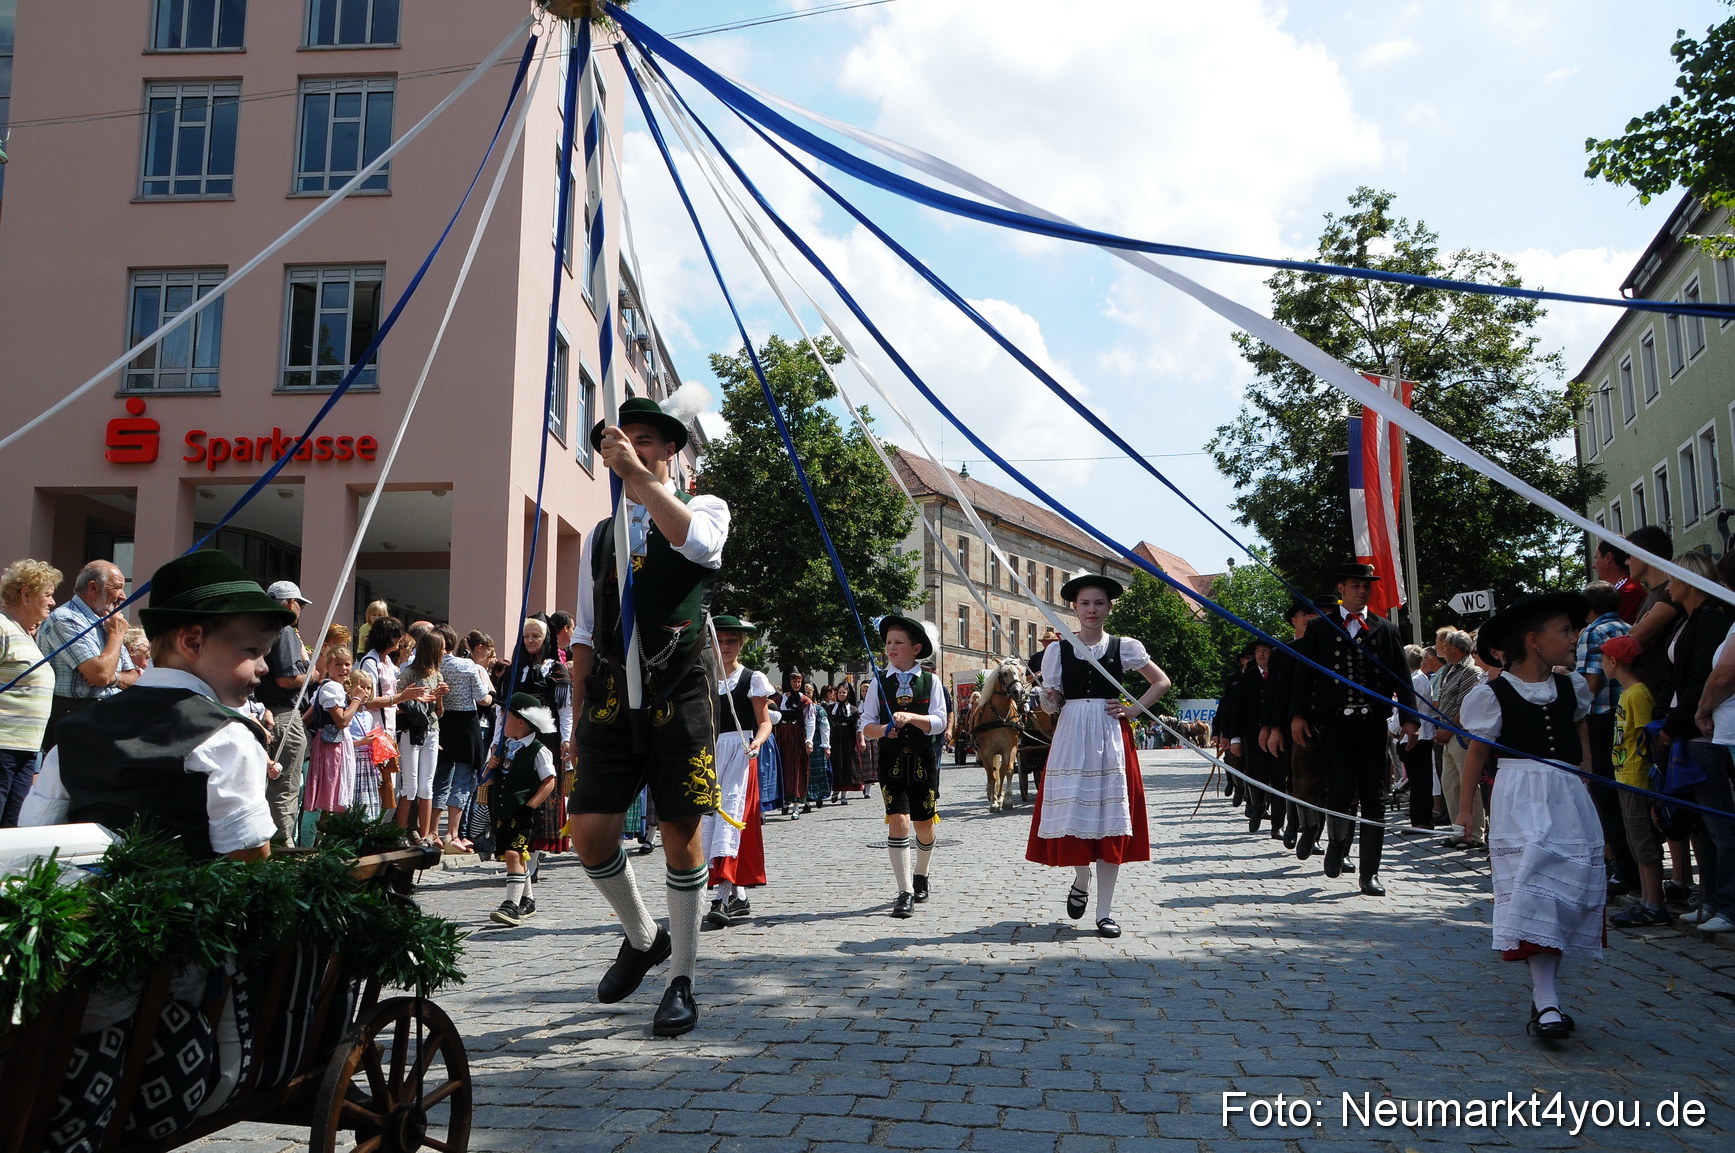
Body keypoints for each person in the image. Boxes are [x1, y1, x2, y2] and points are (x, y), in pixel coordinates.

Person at [569, 395, 730, 1038]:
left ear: (669, 450)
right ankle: (642, 937)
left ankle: (682, 978)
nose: (628, 449)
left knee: (678, 830)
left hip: (679, 690)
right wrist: (578, 717)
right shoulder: (600, 534)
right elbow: (585, 632)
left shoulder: (706, 507)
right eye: (622, 440)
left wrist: (637, 477)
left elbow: (696, 544)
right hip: (611, 698)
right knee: (589, 832)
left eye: (642, 440)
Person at [19, 550, 290, 861]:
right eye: (252, 650)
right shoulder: (229, 738)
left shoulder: (75, 732)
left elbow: (34, 839)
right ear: (192, 642)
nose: (263, 667)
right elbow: (248, 856)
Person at [1456, 592, 1601, 1039]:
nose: (1574, 638)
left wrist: (1585, 769)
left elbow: (1580, 731)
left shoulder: (1572, 687)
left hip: (1567, 795)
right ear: (1535, 641)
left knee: (1564, 890)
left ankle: (1547, 996)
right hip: (1520, 794)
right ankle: (1547, 1000)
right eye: (1565, 631)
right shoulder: (1492, 694)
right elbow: (1477, 752)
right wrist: (1465, 811)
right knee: (1535, 888)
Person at [1025, 576, 1171, 937]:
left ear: (1109, 607)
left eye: (1099, 603)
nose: (1092, 610)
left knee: (1110, 821)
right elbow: (1053, 702)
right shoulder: (1058, 651)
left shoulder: (1124, 646)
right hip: (1072, 734)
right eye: (1085, 603)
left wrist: (1133, 710)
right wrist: (1049, 698)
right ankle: (1081, 877)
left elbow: (1161, 681)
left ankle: (1104, 913)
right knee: (1074, 814)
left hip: (1109, 735)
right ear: (1074, 608)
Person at [1287, 562, 1417, 896]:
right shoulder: (1321, 628)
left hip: (1372, 725)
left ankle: (1369, 872)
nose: (1362, 591)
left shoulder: (1386, 629)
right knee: (1340, 790)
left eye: (1366, 586)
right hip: (1335, 724)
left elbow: (1402, 677)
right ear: (1341, 589)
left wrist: (1410, 718)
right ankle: (1337, 845)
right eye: (1356, 586)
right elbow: (1304, 677)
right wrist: (1298, 715)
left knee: (1375, 797)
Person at [1657, 551, 1735, 933]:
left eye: (1672, 578)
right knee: (1702, 824)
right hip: (1691, 729)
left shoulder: (1711, 621)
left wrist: (1679, 721)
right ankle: (1711, 900)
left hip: (1705, 731)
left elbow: (1705, 678)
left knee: (1720, 825)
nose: (1666, 587)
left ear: (1688, 580)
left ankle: (1728, 906)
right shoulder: (1688, 621)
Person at [860, 614, 949, 918]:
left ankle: (921, 874)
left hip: (923, 760)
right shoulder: (878, 682)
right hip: (892, 761)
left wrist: (911, 717)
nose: (891, 648)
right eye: (888, 643)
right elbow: (866, 725)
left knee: (924, 825)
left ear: (916, 648)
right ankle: (905, 891)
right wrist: (884, 730)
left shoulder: (931, 681)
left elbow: (940, 721)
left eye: (898, 642)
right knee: (899, 821)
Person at [703, 616, 771, 930]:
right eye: (720, 641)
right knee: (708, 821)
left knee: (730, 819)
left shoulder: (752, 678)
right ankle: (738, 895)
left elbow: (764, 722)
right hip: (710, 755)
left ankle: (722, 896)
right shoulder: (704, 678)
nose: (726, 647)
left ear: (741, 644)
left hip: (741, 754)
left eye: (731, 641)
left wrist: (757, 742)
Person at [35, 559, 139, 753]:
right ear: (93, 587)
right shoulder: (66, 618)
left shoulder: (108, 621)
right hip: (75, 718)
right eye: (117, 588)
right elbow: (100, 675)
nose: (123, 596)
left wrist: (114, 678)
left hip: (107, 716)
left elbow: (134, 678)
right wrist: (116, 636)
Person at [1601, 634, 1669, 928]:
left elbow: (1648, 737)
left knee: (1644, 842)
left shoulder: (1638, 694)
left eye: (1603, 658)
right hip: (1624, 777)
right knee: (1635, 842)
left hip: (1637, 778)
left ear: (1613, 661)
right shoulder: (1626, 693)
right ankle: (1645, 899)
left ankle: (1654, 904)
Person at [1576, 581, 1638, 896]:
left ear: (1587, 608)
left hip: (1601, 719)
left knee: (1606, 797)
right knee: (1628, 794)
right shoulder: (1629, 627)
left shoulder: (1592, 632)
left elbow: (1591, 684)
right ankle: (1635, 864)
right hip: (1628, 714)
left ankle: (1624, 869)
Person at [1262, 593, 1332, 856]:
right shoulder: (1285, 652)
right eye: (1307, 614)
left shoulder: (1332, 649)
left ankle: (1314, 833)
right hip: (1290, 722)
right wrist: (1271, 728)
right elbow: (1275, 693)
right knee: (1295, 778)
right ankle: (1294, 823)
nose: (1312, 618)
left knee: (1323, 784)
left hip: (1325, 722)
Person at [485, 693, 561, 927]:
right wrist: (491, 766)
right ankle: (527, 900)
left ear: (520, 721)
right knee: (513, 855)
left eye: (505, 716)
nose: (501, 721)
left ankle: (511, 905)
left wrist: (530, 807)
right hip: (503, 812)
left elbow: (549, 782)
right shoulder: (503, 748)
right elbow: (487, 781)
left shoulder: (538, 750)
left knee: (513, 854)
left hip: (523, 813)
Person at [0, 559, 60, 827]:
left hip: (26, 749)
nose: (53, 602)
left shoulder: (25, 635)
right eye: (48, 594)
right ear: (26, 594)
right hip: (3, 748)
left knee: (14, 828)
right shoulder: (2, 628)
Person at [257, 580, 312, 847]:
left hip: (261, 713)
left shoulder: (259, 629)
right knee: (285, 784)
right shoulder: (284, 629)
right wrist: (313, 674)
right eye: (300, 604)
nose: (300, 609)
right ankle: (282, 846)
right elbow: (287, 678)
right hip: (282, 715)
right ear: (290, 604)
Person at [434, 623, 493, 853]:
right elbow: (482, 698)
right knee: (463, 780)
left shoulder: (432, 666)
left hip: (443, 723)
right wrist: (491, 697)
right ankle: (452, 833)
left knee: (440, 779)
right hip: (467, 725)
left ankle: (432, 832)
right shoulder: (466, 665)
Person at [1432, 628, 1485, 848]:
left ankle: (1474, 834)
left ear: (1455, 648)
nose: (1442, 649)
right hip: (1447, 735)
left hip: (1461, 735)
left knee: (1468, 784)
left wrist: (1449, 729)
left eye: (1445, 645)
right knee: (1450, 784)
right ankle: (1458, 831)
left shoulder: (1471, 671)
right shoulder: (1449, 670)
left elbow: (1466, 706)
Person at [395, 629, 447, 844]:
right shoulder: (409, 673)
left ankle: (425, 836)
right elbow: (397, 702)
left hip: (432, 730)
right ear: (432, 649)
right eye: (442, 648)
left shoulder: (437, 675)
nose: (444, 652)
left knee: (427, 786)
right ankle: (398, 835)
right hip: (412, 730)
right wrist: (421, 699)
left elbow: (439, 712)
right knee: (410, 786)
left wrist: (438, 698)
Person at [303, 644, 366, 820]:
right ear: (328, 666)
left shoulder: (327, 687)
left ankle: (325, 831)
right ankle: (325, 833)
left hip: (330, 743)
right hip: (332, 746)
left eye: (347, 664)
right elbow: (342, 721)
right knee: (332, 794)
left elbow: (306, 719)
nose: (343, 669)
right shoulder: (332, 688)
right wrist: (356, 699)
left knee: (332, 795)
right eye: (338, 664)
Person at [1228, 639, 1277, 838]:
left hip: (1279, 734)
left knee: (1279, 779)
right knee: (1257, 775)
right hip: (1253, 736)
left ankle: (1278, 824)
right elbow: (1236, 710)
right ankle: (1258, 807)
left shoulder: (1281, 674)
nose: (1261, 654)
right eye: (1258, 651)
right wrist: (1234, 738)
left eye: (1265, 650)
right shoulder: (1246, 679)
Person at [1392, 645, 1436, 832]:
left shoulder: (1417, 680)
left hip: (1419, 736)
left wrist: (1391, 728)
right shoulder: (1415, 679)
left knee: (1420, 781)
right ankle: (1419, 819)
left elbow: (1408, 708)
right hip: (1413, 736)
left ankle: (1421, 821)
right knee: (1417, 780)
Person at [772, 672, 810, 818]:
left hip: (796, 736)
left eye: (799, 682)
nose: (797, 684)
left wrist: (809, 741)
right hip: (781, 736)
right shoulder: (778, 700)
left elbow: (810, 721)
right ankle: (785, 800)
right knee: (783, 767)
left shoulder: (804, 701)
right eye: (794, 681)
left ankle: (796, 806)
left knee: (796, 768)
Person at [827, 683, 860, 803]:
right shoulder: (830, 708)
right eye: (840, 692)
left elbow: (857, 726)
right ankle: (835, 790)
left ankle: (844, 795)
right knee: (835, 763)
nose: (841, 694)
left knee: (847, 764)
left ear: (848, 694)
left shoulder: (853, 709)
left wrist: (860, 740)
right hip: (834, 738)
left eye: (844, 692)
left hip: (848, 739)